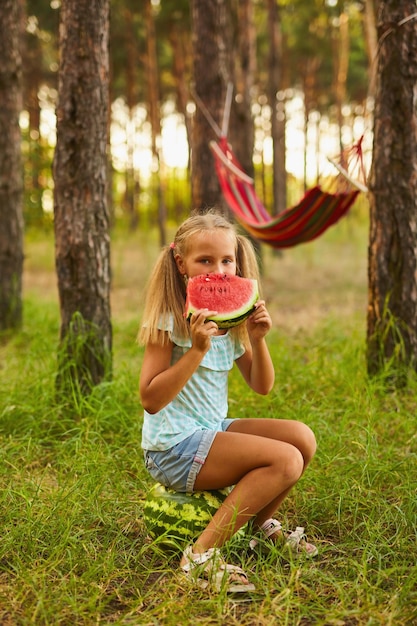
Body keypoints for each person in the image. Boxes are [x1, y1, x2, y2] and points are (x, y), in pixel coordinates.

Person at [138, 210, 317, 593]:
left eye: (227, 260)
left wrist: (257, 338)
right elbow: (150, 399)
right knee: (285, 460)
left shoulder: (232, 319)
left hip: (210, 431)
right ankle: (200, 556)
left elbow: (261, 385)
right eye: (205, 260)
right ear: (180, 263)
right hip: (171, 447)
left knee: (302, 438)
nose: (218, 271)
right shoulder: (169, 319)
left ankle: (257, 529)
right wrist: (196, 350)